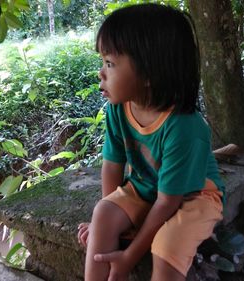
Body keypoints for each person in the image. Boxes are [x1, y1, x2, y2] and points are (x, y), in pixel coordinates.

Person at [77, 4, 225, 281]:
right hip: (148, 188)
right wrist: (108, 220)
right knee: (103, 213)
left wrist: (129, 255)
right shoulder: (117, 110)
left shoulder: (185, 127)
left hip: (194, 197)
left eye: (110, 63)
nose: (101, 72)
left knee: (166, 246)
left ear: (148, 75)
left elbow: (169, 202)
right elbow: (112, 167)